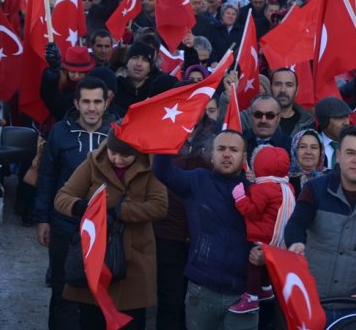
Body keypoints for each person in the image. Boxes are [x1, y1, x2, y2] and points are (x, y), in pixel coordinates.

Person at [284, 125, 356, 324]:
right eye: (350, 153)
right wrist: (295, 242)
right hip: (312, 301)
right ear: (338, 155)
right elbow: (296, 223)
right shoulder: (315, 188)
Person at [54, 130, 168, 329]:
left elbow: (160, 206)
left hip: (134, 260)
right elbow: (62, 198)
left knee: (131, 321)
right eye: (113, 153)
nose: (118, 159)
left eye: (125, 155)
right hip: (94, 258)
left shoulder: (150, 166)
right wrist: (83, 207)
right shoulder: (93, 162)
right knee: (91, 320)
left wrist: (122, 211)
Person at [152, 130, 258, 330]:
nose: (227, 154)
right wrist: (166, 133)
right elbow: (163, 171)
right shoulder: (197, 181)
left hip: (242, 295)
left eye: (233, 150)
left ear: (244, 158)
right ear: (211, 154)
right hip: (202, 291)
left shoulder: (255, 191)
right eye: (221, 149)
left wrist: (262, 255)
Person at [33, 77, 114, 330]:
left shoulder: (118, 132)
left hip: (105, 229)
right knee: (62, 288)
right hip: (65, 226)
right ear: (76, 103)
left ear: (106, 103)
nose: (92, 108)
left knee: (99, 290)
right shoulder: (59, 131)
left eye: (97, 102)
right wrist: (42, 219)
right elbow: (46, 178)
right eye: (86, 102)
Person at [229, 146, 296, 314]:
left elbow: (251, 211)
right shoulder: (287, 187)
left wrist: (240, 197)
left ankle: (251, 297)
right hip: (278, 234)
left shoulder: (261, 188)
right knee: (265, 263)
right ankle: (266, 288)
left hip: (263, 234)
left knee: (254, 262)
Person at [41, 44, 95, 121]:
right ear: (66, 71)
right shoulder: (60, 87)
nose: (76, 76)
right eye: (73, 71)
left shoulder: (95, 89)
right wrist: (52, 70)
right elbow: (50, 97)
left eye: (81, 72)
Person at [315, 97, 353, 169]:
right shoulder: (310, 146)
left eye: (346, 117)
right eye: (339, 118)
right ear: (324, 121)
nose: (346, 123)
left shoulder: (355, 145)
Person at [287, 129, 327, 193]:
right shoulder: (285, 180)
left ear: (321, 152)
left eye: (314, 147)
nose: (308, 152)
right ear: (294, 150)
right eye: (303, 147)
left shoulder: (330, 178)